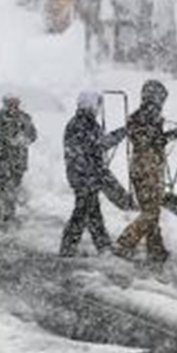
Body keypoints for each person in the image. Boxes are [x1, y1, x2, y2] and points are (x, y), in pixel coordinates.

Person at [115, 80, 177, 264]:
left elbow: (150, 139)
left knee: (151, 211)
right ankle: (125, 243)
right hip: (148, 168)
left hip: (141, 167)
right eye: (161, 98)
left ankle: (156, 250)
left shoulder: (138, 116)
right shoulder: (149, 117)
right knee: (150, 212)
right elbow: (155, 141)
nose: (162, 103)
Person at [59, 90, 125, 257]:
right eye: (96, 105)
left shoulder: (87, 123)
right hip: (84, 176)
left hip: (86, 175)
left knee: (90, 211)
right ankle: (69, 249)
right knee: (82, 213)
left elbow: (97, 145)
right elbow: (100, 145)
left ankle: (101, 246)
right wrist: (122, 133)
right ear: (89, 105)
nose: (98, 109)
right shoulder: (80, 124)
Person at [0, 94, 38, 225]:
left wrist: (23, 139)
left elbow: (32, 136)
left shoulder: (25, 118)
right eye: (10, 103)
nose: (13, 106)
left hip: (17, 163)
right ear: (4, 103)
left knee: (12, 189)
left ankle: (9, 216)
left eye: (15, 103)